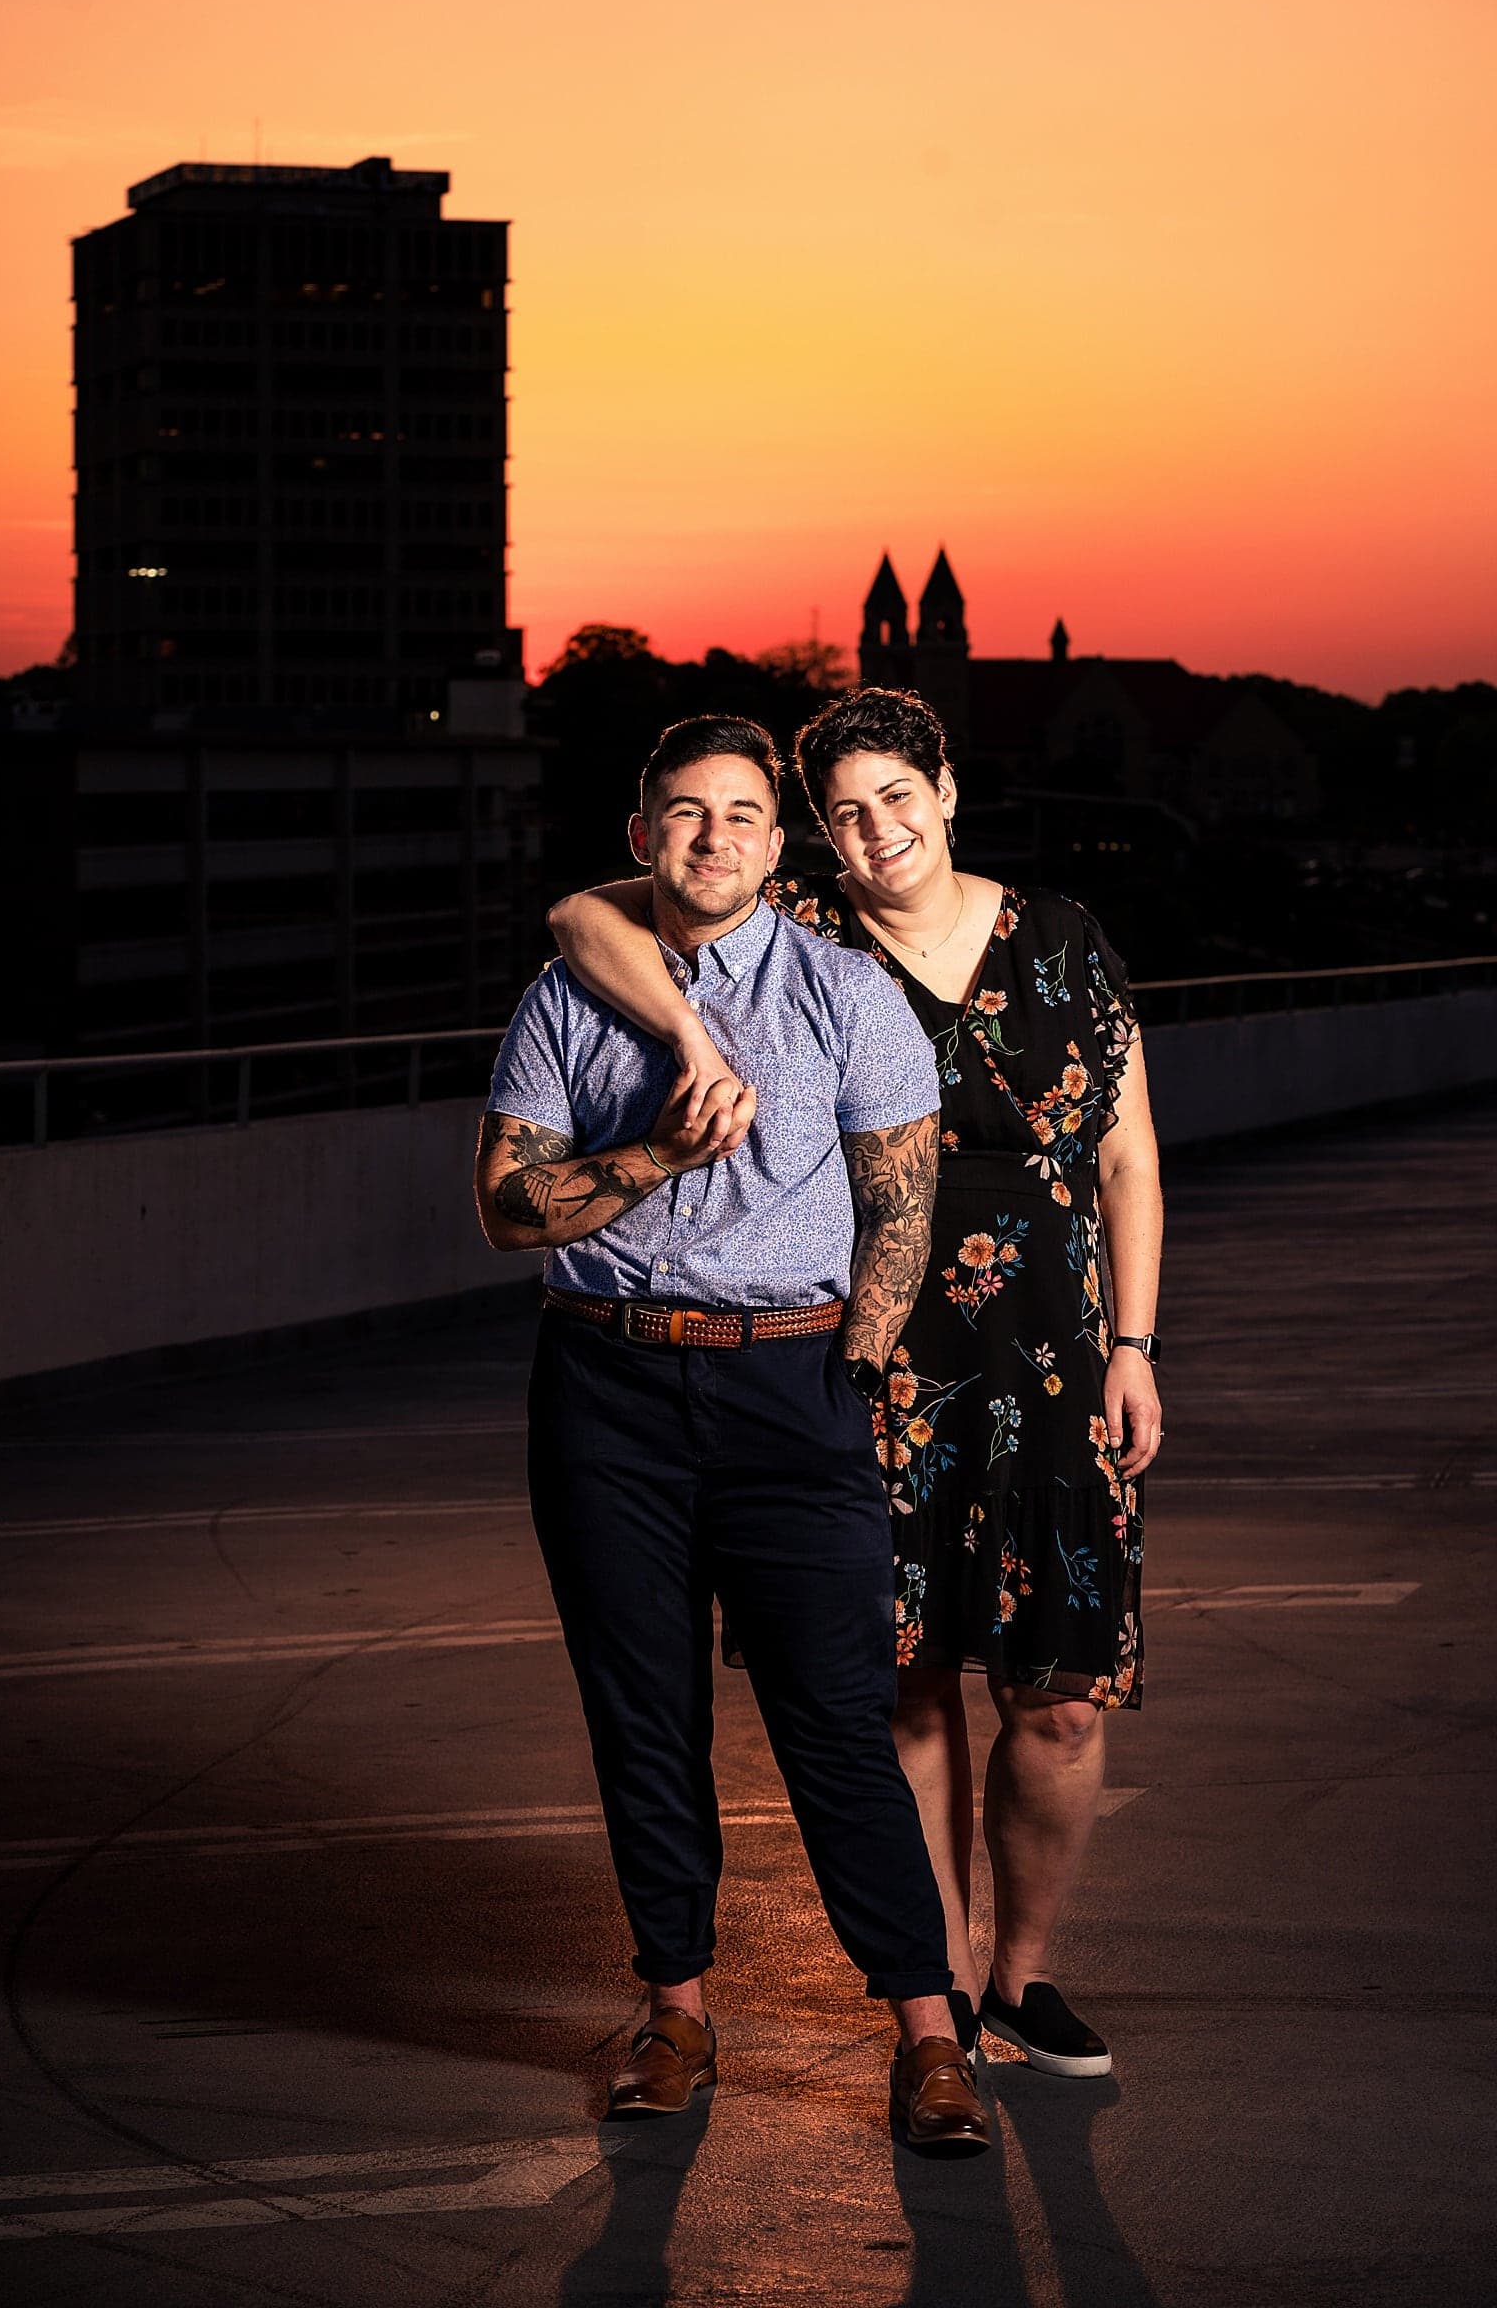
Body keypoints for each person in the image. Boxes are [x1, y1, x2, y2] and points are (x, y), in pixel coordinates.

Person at [548, 687, 1165, 2080]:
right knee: (903, 1689)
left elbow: (1127, 1159)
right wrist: (698, 1043)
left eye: (899, 796)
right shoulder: (803, 945)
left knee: (1059, 1697)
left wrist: (1135, 1346)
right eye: (843, 813)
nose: (878, 829)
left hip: (1056, 1361)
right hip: (860, 1356)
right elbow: (583, 920)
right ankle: (935, 1994)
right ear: (814, 840)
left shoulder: (1061, 940)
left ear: (945, 790)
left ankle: (1022, 1974)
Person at [476, 712, 990, 2149]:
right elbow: (506, 1210)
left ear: (783, 845)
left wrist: (864, 1381)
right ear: (644, 835)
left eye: (747, 816)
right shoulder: (568, 998)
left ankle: (931, 2038)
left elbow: (901, 1210)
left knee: (838, 1723)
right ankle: (676, 2013)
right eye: (686, 815)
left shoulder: (846, 993)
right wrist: (656, 1154)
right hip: (605, 1387)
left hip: (790, 1386)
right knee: (644, 1716)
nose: (715, 838)